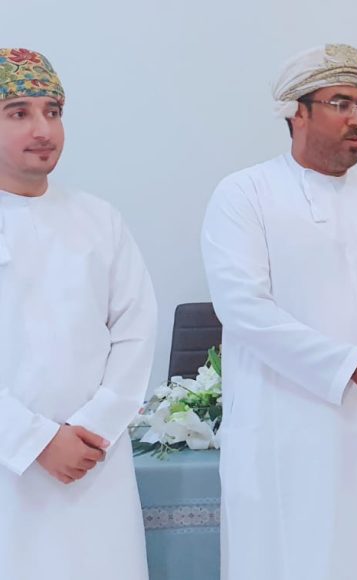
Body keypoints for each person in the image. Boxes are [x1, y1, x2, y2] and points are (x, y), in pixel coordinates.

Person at [200, 43, 357, 580]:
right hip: (283, 430)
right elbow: (243, 308)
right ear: (297, 112)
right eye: (340, 103)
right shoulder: (244, 194)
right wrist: (351, 365)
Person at [0, 47, 157, 580]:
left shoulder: (99, 219)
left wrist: (95, 426)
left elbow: (136, 329)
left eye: (54, 111)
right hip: (9, 470)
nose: (43, 129)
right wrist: (35, 441)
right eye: (18, 112)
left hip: (95, 463)